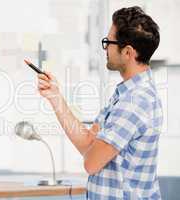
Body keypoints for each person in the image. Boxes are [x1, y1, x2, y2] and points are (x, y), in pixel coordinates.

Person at [37, 6, 162, 199]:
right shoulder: (125, 94)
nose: (105, 48)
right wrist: (55, 98)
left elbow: (91, 163)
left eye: (108, 42)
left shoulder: (135, 101)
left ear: (128, 52)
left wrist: (93, 148)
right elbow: (87, 141)